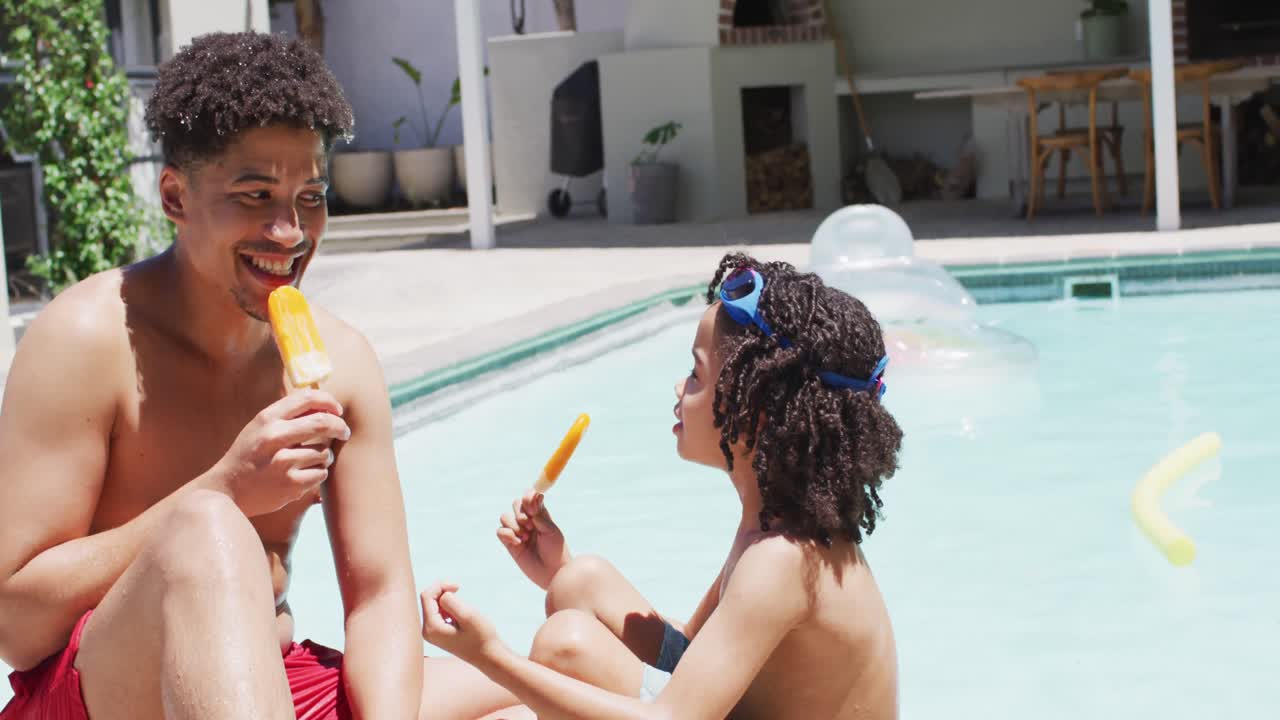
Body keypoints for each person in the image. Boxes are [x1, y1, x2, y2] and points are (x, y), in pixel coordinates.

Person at [0, 31, 521, 720]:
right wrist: (226, 488)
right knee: (206, 531)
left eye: (311, 195)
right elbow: (15, 624)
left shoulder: (341, 361)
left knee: (549, 685)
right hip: (93, 692)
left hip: (259, 681)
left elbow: (379, 594)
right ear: (176, 197)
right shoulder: (88, 339)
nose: (290, 231)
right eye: (255, 195)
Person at [421, 252, 906, 719]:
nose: (679, 387)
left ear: (753, 410)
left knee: (566, 646)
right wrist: (559, 570)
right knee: (582, 581)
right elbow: (696, 649)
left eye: (696, 374)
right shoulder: (773, 526)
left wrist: (491, 657)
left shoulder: (781, 561)